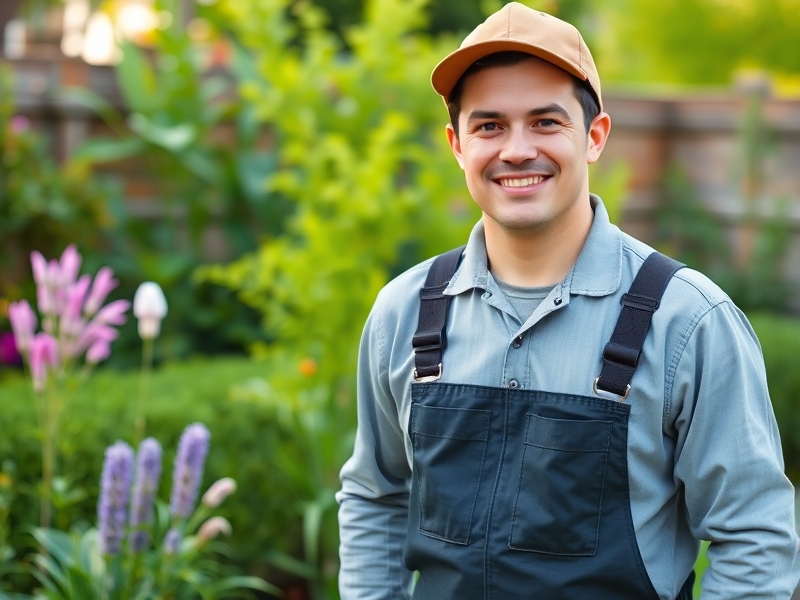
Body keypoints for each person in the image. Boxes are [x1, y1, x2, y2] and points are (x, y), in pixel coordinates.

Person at [336, 3, 800, 599]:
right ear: (457, 144)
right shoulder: (405, 314)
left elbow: (755, 537)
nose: (517, 149)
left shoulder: (687, 322)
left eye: (546, 122)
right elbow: (377, 497)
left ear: (595, 136)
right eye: (490, 125)